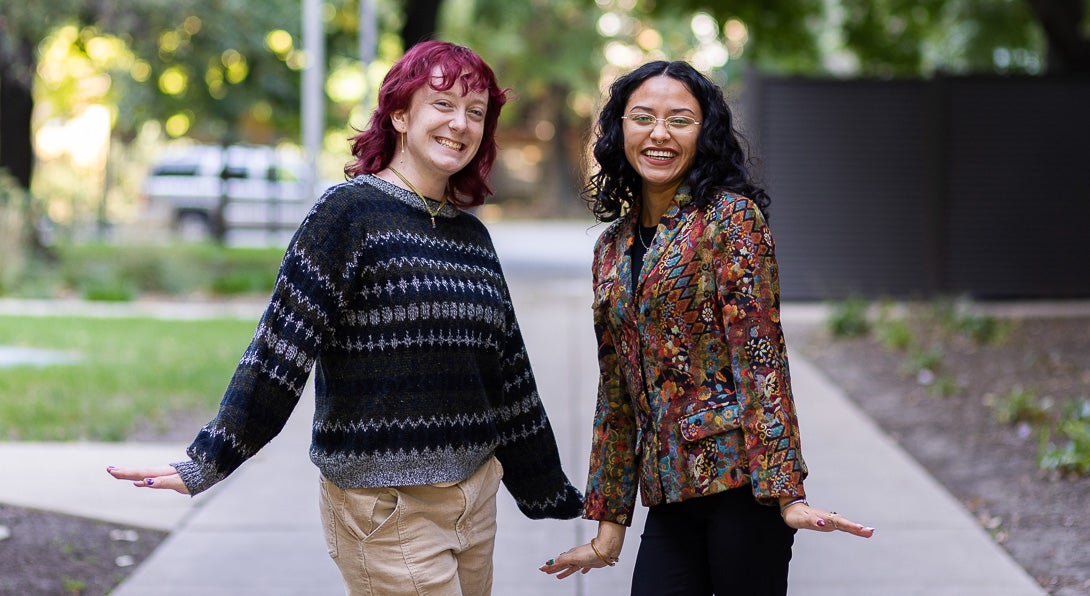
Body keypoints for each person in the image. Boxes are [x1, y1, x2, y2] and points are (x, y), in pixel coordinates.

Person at [108, 40, 584, 595]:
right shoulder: (347, 214)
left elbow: (509, 378)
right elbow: (279, 352)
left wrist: (552, 492)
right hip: (387, 510)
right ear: (401, 114)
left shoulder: (470, 237)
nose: (460, 123)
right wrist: (207, 461)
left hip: (474, 501)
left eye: (475, 112)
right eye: (443, 104)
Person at [539, 61, 874, 594]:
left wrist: (787, 495)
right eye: (643, 117)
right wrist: (608, 529)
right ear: (620, 128)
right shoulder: (611, 248)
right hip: (670, 495)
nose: (659, 134)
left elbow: (761, 359)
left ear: (705, 133)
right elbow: (618, 394)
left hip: (743, 490)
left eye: (680, 120)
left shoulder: (730, 220)